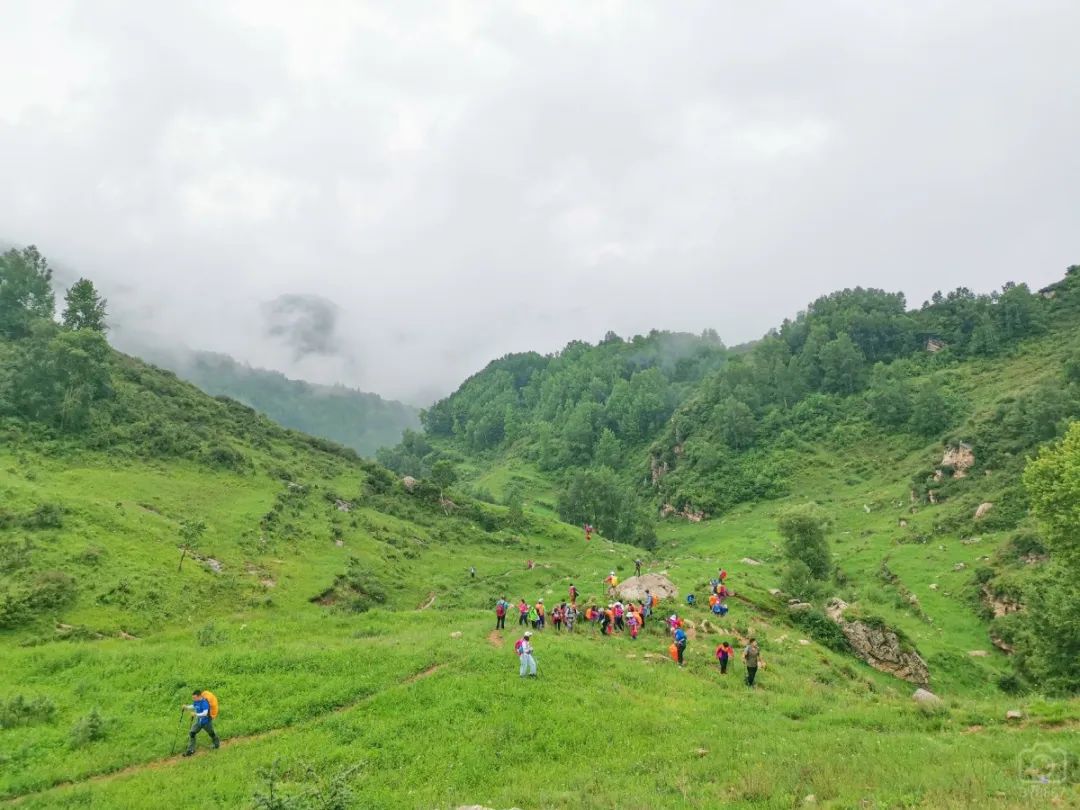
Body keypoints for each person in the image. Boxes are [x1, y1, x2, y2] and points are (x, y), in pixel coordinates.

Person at [182, 690, 220, 756]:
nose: (193, 699)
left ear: (199, 696)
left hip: (206, 722)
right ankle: (191, 750)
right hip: (199, 722)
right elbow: (194, 706)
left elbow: (205, 713)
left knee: (211, 733)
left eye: (194, 697)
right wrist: (187, 707)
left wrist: (195, 714)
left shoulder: (205, 703)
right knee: (192, 733)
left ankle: (216, 744)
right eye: (193, 698)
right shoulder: (196, 701)